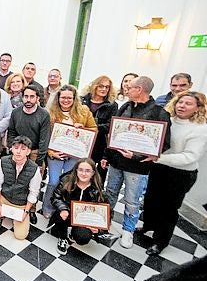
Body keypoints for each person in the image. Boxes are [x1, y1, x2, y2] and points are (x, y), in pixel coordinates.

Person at [101, 76, 171, 249]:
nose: (126, 89)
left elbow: (163, 143)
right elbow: (113, 133)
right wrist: (106, 156)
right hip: (116, 162)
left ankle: (128, 231)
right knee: (110, 193)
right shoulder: (125, 106)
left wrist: (136, 156)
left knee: (132, 200)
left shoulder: (158, 113)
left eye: (130, 87)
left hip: (137, 168)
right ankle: (103, 222)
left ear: (139, 89)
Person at [139, 91, 207, 255]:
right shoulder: (168, 119)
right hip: (160, 167)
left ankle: (160, 241)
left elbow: (190, 156)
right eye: (180, 102)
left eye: (188, 103)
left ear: (198, 108)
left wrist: (158, 158)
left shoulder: (200, 129)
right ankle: (148, 225)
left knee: (168, 208)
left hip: (181, 174)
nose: (182, 106)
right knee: (151, 199)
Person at [42, 85, 97, 218]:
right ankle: (47, 207)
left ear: (74, 98)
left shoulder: (84, 111)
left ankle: (63, 208)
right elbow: (45, 136)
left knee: (68, 181)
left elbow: (94, 129)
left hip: (74, 155)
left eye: (69, 98)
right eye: (63, 97)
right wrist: (50, 152)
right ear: (58, 98)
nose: (66, 100)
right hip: (55, 154)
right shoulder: (50, 113)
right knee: (54, 181)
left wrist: (83, 128)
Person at [0, 136, 41, 239]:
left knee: (20, 236)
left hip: (21, 203)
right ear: (12, 148)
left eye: (23, 149)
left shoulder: (34, 169)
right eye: (16, 148)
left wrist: (25, 212)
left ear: (28, 151)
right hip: (4, 198)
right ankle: (2, 213)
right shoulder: (3, 161)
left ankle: (14, 216)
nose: (18, 152)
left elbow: (33, 193)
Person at [7, 85, 51, 223]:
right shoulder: (16, 113)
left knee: (34, 184)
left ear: (37, 98)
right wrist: (12, 148)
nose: (28, 99)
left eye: (32, 97)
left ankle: (31, 210)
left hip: (35, 152)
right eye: (26, 96)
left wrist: (38, 162)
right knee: (15, 180)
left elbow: (44, 140)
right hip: (18, 149)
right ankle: (10, 207)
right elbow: (11, 132)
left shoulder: (44, 115)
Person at [50, 158, 105, 255]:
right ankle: (62, 238)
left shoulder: (97, 188)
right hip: (67, 213)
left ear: (93, 173)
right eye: (81, 170)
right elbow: (55, 197)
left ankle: (73, 234)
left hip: (83, 219)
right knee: (58, 223)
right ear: (76, 170)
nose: (84, 174)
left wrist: (98, 228)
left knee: (82, 238)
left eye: (88, 171)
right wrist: (63, 208)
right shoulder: (66, 180)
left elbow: (105, 210)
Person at [81, 76, 118, 182]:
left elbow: (111, 125)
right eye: (101, 86)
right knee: (81, 173)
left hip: (100, 144)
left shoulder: (112, 105)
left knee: (98, 178)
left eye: (107, 87)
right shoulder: (82, 100)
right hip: (82, 142)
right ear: (94, 86)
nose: (104, 89)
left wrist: (91, 128)